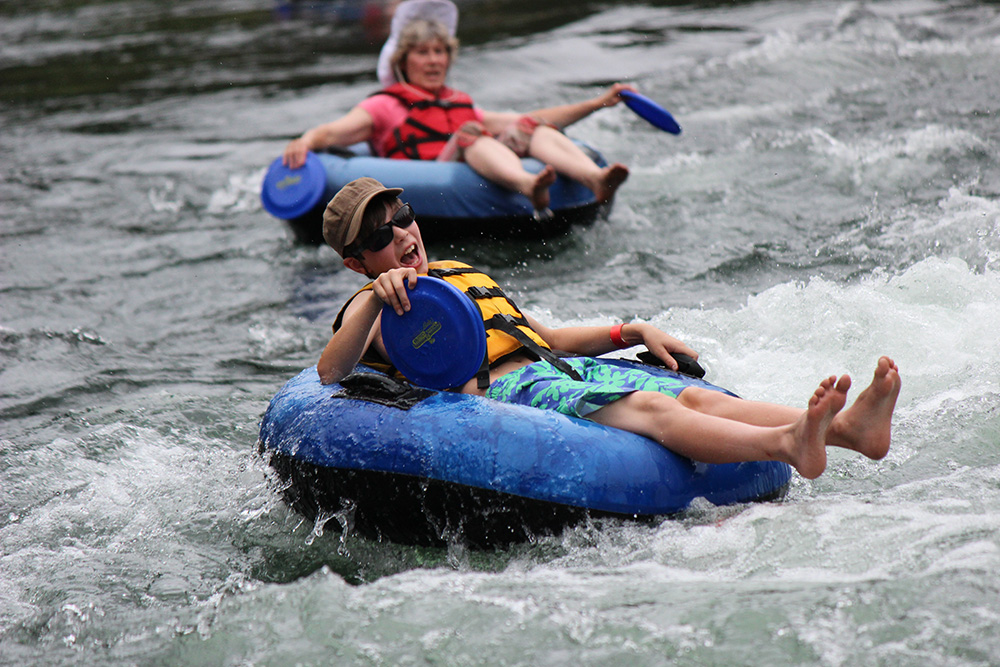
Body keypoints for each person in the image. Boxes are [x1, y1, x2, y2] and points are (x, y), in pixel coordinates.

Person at [316, 177, 902, 480]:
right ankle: (786, 444)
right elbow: (331, 369)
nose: (402, 235)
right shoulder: (377, 308)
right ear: (357, 262)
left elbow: (545, 338)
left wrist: (630, 331)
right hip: (508, 394)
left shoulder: (455, 273)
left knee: (697, 397)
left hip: (556, 369)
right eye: (380, 237)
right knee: (654, 410)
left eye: (402, 217)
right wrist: (373, 297)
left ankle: (849, 431)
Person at [282, 0, 632, 216]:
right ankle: (528, 185)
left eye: (440, 52)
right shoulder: (383, 105)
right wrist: (305, 140)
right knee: (471, 133)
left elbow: (532, 119)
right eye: (423, 53)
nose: (434, 61)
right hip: (431, 178)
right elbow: (332, 133)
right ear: (403, 61)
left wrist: (598, 102)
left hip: (471, 157)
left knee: (530, 127)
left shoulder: (460, 103)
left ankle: (595, 179)